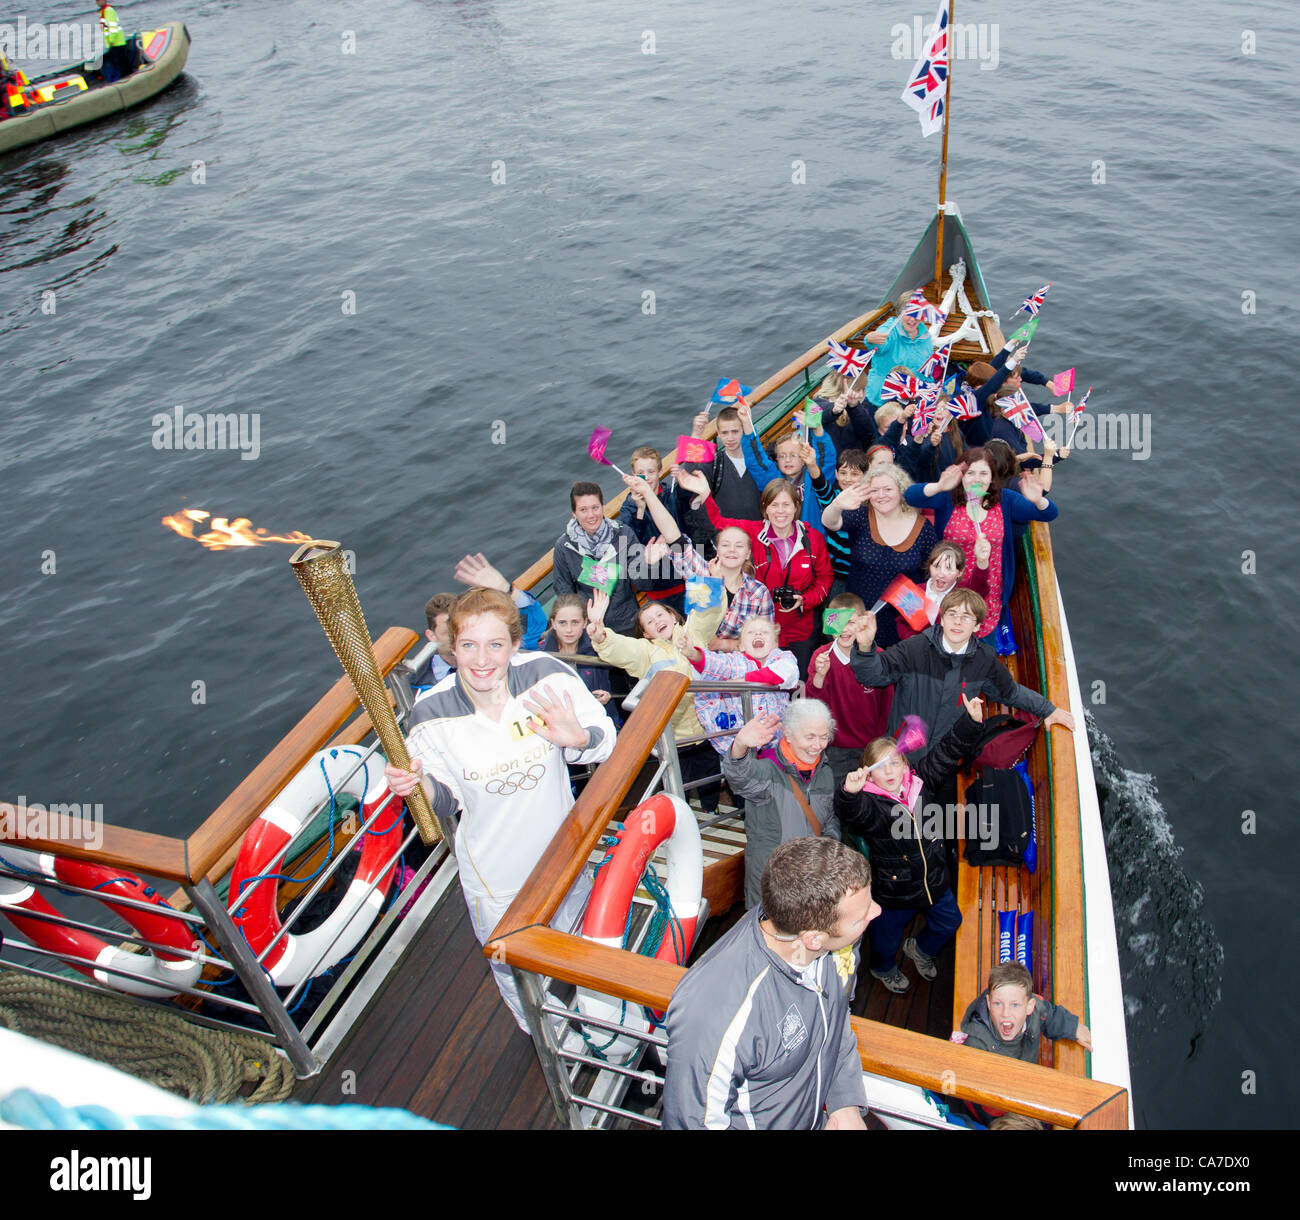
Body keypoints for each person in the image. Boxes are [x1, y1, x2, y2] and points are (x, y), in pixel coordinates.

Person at [384, 588, 616, 1030]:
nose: (482, 659)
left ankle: (602, 1024)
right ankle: (548, 1035)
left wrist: (580, 739)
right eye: (469, 645)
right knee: (515, 969)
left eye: (495, 645)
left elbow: (607, 740)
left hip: (563, 856)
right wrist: (416, 787)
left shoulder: (548, 676)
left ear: (515, 643)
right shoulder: (429, 715)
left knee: (577, 942)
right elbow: (446, 799)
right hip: (496, 879)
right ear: (452, 647)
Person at [661, 836, 877, 1130]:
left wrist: (844, 1100)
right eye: (862, 915)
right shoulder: (716, 1014)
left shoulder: (836, 940)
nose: (876, 911)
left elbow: (837, 1018)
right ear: (812, 939)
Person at [835, 693, 984, 992]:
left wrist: (969, 722)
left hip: (934, 881)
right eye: (879, 767)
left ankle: (921, 949)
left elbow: (945, 751)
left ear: (905, 764)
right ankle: (882, 968)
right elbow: (854, 814)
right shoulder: (871, 807)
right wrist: (849, 794)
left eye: (894, 763)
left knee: (949, 921)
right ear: (869, 777)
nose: (889, 772)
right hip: (895, 891)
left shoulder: (921, 782)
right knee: (885, 937)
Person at [846, 587, 1073, 759]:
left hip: (945, 756)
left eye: (966, 617)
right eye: (952, 614)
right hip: (902, 750)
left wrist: (1047, 709)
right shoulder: (915, 648)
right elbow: (872, 676)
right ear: (942, 619)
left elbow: (1009, 692)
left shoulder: (984, 660)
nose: (957, 621)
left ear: (977, 626)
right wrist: (865, 647)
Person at [675, 468, 833, 675]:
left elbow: (825, 577)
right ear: (765, 509)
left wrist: (805, 600)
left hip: (800, 629)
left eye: (786, 505)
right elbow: (719, 523)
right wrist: (706, 495)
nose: (780, 511)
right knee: (760, 680)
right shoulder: (753, 532)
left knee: (797, 679)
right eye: (774, 505)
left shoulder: (813, 540)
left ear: (796, 508)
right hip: (757, 631)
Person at [584, 588, 724, 811]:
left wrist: (712, 581)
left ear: (673, 616)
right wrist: (601, 635)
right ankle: (681, 815)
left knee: (711, 773)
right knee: (680, 781)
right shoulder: (645, 652)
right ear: (646, 633)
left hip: (706, 726)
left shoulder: (692, 633)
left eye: (660, 615)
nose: (657, 620)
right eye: (649, 621)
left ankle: (711, 808)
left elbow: (708, 615)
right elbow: (622, 647)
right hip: (674, 734)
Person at [904, 452, 1059, 638]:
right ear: (961, 475)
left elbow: (1048, 514)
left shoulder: (1006, 499)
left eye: (984, 473)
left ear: (992, 476)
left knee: (982, 643)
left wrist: (1037, 499)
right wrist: (938, 486)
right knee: (945, 635)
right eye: (970, 473)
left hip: (989, 585)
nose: (977, 479)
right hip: (948, 583)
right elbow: (910, 496)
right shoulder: (948, 497)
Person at [621, 472, 774, 650]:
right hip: (699, 662)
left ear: (748, 553)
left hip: (740, 666)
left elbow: (766, 641)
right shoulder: (701, 574)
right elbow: (673, 535)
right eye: (726, 545)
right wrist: (648, 494)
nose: (732, 550)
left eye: (738, 546)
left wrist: (724, 644)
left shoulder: (758, 593)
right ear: (717, 550)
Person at [722, 701, 841, 908]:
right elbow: (740, 778)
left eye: (823, 737)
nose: (817, 745)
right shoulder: (769, 771)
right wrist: (740, 746)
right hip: (772, 882)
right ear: (788, 734)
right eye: (810, 737)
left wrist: (828, 848)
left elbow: (828, 819)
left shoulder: (825, 772)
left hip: (811, 879)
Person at [820, 463, 936, 648]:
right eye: (875, 490)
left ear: (901, 490)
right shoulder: (861, 515)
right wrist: (837, 505)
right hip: (855, 617)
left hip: (901, 623)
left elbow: (931, 574)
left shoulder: (924, 528)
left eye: (888, 489)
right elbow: (829, 522)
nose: (881, 495)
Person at [409, 553, 546, 693]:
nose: (455, 637)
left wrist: (506, 590)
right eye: (447, 632)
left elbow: (533, 627)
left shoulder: (495, 651)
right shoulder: (420, 681)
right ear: (431, 636)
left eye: (459, 630)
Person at [676, 616, 800, 754]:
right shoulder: (735, 661)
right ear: (741, 646)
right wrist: (693, 654)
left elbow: (786, 671)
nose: (758, 634)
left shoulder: (783, 657)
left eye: (765, 632)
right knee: (744, 767)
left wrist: (742, 681)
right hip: (743, 742)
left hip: (777, 741)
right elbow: (716, 664)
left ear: (776, 643)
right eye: (751, 632)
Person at [807, 593, 893, 787]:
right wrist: (819, 676)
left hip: (871, 747)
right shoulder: (821, 656)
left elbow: (887, 706)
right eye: (838, 622)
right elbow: (814, 707)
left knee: (870, 800)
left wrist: (880, 744)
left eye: (851, 622)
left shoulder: (879, 657)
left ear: (864, 623)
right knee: (838, 799)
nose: (844, 629)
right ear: (829, 622)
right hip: (834, 748)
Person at [551, 481, 656, 635]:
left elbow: (644, 585)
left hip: (628, 622)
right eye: (583, 510)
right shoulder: (564, 547)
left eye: (595, 507)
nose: (591, 515)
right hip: (591, 628)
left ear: (602, 506)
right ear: (574, 513)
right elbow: (564, 591)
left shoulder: (623, 534)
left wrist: (648, 563)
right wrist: (586, 623)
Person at [736, 399, 837, 536]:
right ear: (776, 459)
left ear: (803, 458)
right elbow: (756, 459)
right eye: (782, 456)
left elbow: (827, 458)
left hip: (814, 540)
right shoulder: (772, 479)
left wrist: (817, 428)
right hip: (781, 540)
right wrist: (747, 423)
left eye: (793, 455)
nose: (787, 460)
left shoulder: (814, 476)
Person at [957, 961, 1092, 1061]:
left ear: (1029, 1006)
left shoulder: (1036, 1010)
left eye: (1014, 1005)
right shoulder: (976, 1043)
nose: (1005, 1013)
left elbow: (1049, 1015)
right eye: (998, 1004)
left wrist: (1072, 1027)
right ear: (988, 1003)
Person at [616, 446, 687, 613]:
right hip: (657, 591)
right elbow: (626, 544)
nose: (646, 477)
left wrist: (683, 483)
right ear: (634, 475)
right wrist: (640, 511)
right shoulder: (628, 508)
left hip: (685, 580)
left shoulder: (671, 495)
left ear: (660, 472)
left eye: (651, 471)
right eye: (641, 473)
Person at [679, 405, 763, 548]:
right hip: (727, 542)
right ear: (717, 433)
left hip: (759, 538)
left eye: (735, 431)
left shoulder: (758, 461)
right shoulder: (714, 463)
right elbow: (688, 477)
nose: (730, 438)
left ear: (744, 429)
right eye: (724, 433)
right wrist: (696, 435)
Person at [861, 291, 946, 408]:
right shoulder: (890, 329)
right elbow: (881, 342)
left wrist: (931, 393)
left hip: (910, 401)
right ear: (899, 313)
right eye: (909, 313)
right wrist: (870, 339)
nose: (913, 319)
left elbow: (926, 372)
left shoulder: (925, 336)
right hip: (881, 401)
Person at [538, 592, 616, 719]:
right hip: (563, 726)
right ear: (553, 623)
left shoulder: (597, 645)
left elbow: (620, 657)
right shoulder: (541, 656)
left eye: (575, 622)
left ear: (585, 622)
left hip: (600, 718)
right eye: (562, 623)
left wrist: (606, 696)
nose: (569, 629)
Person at [894, 539, 988, 641]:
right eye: (936, 566)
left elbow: (979, 587)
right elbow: (902, 624)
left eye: (948, 568)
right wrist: (913, 639)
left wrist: (982, 561)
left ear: (960, 572)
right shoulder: (915, 591)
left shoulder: (963, 594)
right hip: (918, 652)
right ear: (929, 566)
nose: (941, 573)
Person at [809, 447, 870, 595]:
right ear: (836, 474)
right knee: (837, 614)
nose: (848, 479)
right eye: (843, 473)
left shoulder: (873, 503)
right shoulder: (834, 498)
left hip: (864, 574)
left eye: (855, 474)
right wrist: (811, 464)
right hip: (837, 574)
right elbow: (820, 485)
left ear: (866, 476)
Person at [98, 3, 134, 81]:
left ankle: (127, 78)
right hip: (112, 43)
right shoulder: (102, 12)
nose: (98, 2)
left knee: (122, 63)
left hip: (116, 42)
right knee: (119, 62)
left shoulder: (108, 11)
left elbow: (113, 27)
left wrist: (111, 41)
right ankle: (126, 77)